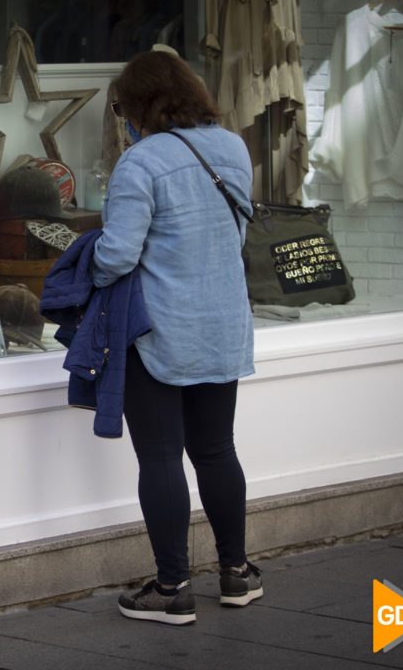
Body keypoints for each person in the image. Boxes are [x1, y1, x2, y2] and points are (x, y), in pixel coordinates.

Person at [93, 50, 261, 625]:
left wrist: (80, 268)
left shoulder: (141, 163)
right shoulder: (234, 147)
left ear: (140, 105)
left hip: (158, 332)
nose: (121, 118)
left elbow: (116, 255)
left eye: (121, 107)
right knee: (216, 450)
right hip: (223, 324)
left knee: (162, 457)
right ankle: (236, 573)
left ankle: (172, 589)